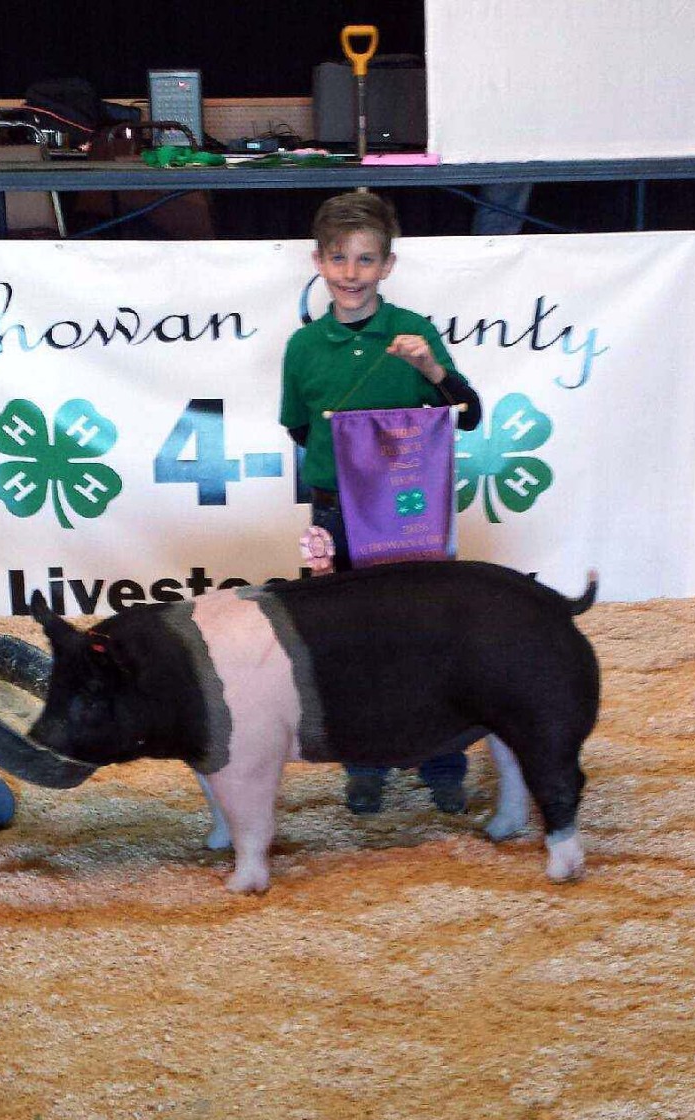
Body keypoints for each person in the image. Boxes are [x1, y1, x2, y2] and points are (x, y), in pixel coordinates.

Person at [280, 190, 482, 817]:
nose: (350, 273)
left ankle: (443, 764)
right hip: (337, 511)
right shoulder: (304, 347)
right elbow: (300, 428)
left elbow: (468, 414)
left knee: (426, 638)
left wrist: (432, 371)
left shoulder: (415, 334)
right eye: (338, 259)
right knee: (349, 646)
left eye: (366, 260)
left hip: (406, 512)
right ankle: (364, 765)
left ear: (387, 267)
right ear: (318, 262)